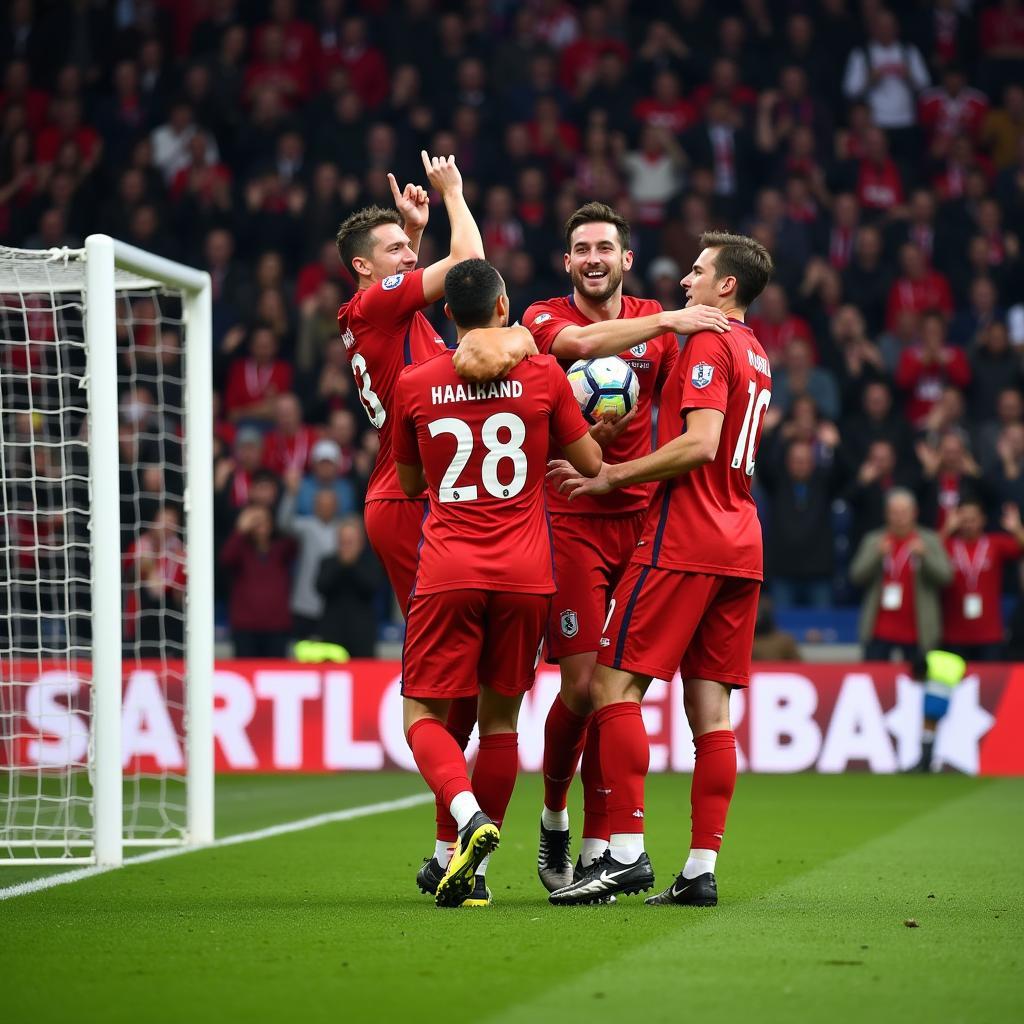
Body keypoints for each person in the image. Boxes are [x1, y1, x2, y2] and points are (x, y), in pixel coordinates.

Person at [466, 201, 728, 894]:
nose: (593, 258)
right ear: (567, 261)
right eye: (581, 247)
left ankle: (602, 845)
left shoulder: (659, 328)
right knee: (582, 688)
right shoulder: (545, 317)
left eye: (604, 247)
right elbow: (578, 352)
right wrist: (671, 319)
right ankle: (554, 812)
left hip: (647, 520)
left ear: (625, 258)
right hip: (571, 517)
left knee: (619, 691)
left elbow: (696, 395)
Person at [544, 231, 774, 907]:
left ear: (725, 285)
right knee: (712, 713)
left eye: (699, 272)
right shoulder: (757, 351)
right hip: (743, 543)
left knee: (610, 690)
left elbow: (701, 443)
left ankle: (626, 853)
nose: (686, 283)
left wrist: (611, 474)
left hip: (686, 539)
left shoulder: (706, 341)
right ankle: (700, 869)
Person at [336, 151, 533, 868]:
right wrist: (453, 194)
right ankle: (462, 830)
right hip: (412, 498)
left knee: (460, 687)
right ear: (364, 268)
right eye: (391, 251)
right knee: (451, 688)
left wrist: (413, 234)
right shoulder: (371, 303)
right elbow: (470, 269)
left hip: (422, 494)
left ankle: (451, 841)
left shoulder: (384, 311)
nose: (404, 257)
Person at [393, 259, 602, 908]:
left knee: (423, 714)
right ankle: (474, 876)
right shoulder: (541, 375)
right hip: (525, 574)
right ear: (504, 305)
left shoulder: (414, 382)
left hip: (449, 568)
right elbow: (591, 463)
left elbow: (406, 485)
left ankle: (466, 821)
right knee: (501, 722)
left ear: (447, 316)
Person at [850, 488, 952, 661]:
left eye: (904, 512)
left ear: (914, 513)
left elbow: (946, 577)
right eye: (894, 512)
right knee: (877, 680)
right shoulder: (874, 539)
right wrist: (876, 556)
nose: (899, 517)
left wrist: (925, 556)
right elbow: (856, 576)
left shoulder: (929, 540)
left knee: (916, 685)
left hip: (918, 630)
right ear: (886, 514)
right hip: (879, 630)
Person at [939, 500, 1024, 661]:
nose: (968, 525)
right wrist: (946, 529)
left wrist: (1016, 529)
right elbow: (928, 553)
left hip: (989, 634)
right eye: (964, 520)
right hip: (954, 634)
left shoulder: (994, 543)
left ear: (983, 520)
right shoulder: (949, 545)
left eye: (973, 520)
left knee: (990, 682)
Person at [315, 515, 384, 658]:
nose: (346, 546)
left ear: (361, 542)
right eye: (343, 542)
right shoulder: (328, 562)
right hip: (332, 632)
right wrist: (341, 566)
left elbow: (372, 587)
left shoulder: (371, 563)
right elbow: (320, 587)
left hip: (361, 633)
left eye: (350, 542)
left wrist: (352, 566)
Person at [906, 650, 967, 773]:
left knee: (928, 723)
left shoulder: (930, 658)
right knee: (933, 724)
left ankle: (925, 762)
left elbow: (919, 669)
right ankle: (927, 761)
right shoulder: (950, 660)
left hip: (934, 689)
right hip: (946, 691)